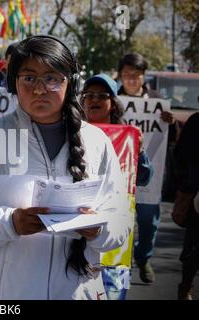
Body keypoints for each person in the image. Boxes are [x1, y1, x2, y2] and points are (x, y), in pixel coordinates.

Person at [0, 36, 131, 300]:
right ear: (13, 83)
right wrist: (10, 223)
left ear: (71, 83)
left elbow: (122, 222)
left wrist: (98, 229)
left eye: (52, 78)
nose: (40, 89)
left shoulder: (97, 142)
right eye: (29, 78)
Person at [82, 73, 154, 299]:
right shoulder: (69, 131)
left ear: (112, 103)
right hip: (77, 229)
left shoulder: (128, 138)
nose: (94, 100)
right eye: (89, 95)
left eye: (101, 96)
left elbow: (143, 179)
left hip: (114, 236)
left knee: (112, 292)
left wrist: (139, 151)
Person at [117, 53, 176, 284]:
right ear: (120, 76)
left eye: (136, 75)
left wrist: (169, 123)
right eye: (126, 75)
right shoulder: (113, 99)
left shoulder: (157, 101)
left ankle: (143, 258)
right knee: (122, 223)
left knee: (148, 224)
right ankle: (124, 263)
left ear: (144, 76)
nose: (131, 80)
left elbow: (168, 141)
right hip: (120, 174)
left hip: (148, 174)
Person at [172, 112, 199, 300]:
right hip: (196, 194)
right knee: (194, 247)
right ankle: (186, 286)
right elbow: (180, 154)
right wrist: (187, 184)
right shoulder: (196, 122)